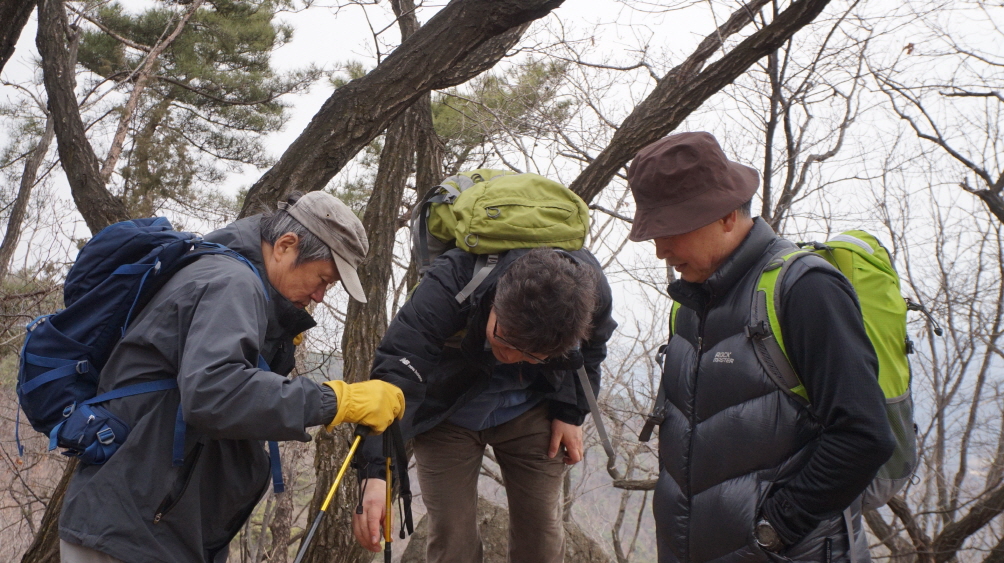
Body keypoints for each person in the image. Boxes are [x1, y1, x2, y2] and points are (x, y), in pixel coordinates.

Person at [58, 191, 405, 563]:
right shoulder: (231, 283)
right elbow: (214, 394)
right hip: (132, 532)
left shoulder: (229, 277)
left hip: (152, 528)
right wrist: (337, 401)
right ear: (286, 246)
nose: (321, 296)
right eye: (322, 278)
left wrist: (274, 341)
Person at [627, 132, 896, 563]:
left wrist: (774, 530)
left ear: (727, 216)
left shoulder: (805, 289)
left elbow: (864, 435)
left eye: (671, 230)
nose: (660, 250)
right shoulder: (692, 305)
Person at [352, 246, 616, 562]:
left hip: (531, 407)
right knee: (452, 538)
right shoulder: (455, 280)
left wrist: (570, 413)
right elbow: (395, 372)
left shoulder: (589, 292)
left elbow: (592, 350)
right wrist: (376, 471)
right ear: (496, 301)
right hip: (446, 412)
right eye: (503, 336)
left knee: (542, 535)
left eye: (531, 354)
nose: (510, 355)